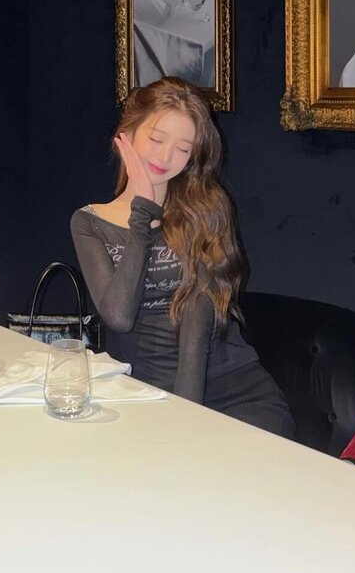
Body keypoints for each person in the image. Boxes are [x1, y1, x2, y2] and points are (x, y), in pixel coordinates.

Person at [70, 76, 295, 438]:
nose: (165, 158)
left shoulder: (204, 211)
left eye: (183, 148)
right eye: (157, 139)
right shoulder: (89, 222)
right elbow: (119, 316)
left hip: (232, 390)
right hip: (144, 391)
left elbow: (196, 329)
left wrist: (185, 423)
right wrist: (142, 214)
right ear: (127, 133)